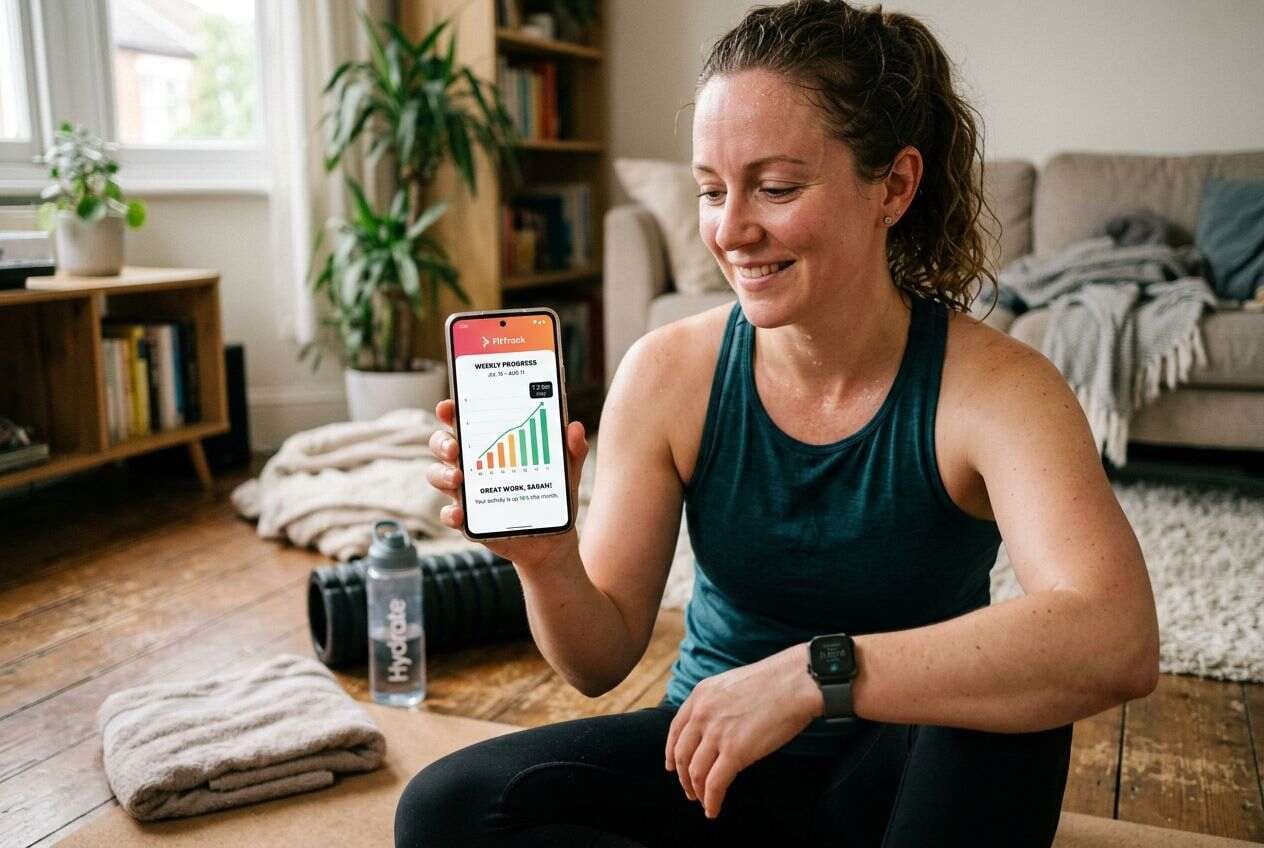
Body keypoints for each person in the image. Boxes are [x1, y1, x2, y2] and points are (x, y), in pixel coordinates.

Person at [396, 1, 1160, 845]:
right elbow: (598, 660)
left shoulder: (998, 388)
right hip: (716, 766)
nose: (731, 230)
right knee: (447, 810)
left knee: (1016, 708)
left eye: (777, 187)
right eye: (712, 190)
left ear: (893, 187)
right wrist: (544, 561)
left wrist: (818, 674)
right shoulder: (667, 372)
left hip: (907, 776)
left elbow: (1114, 636)